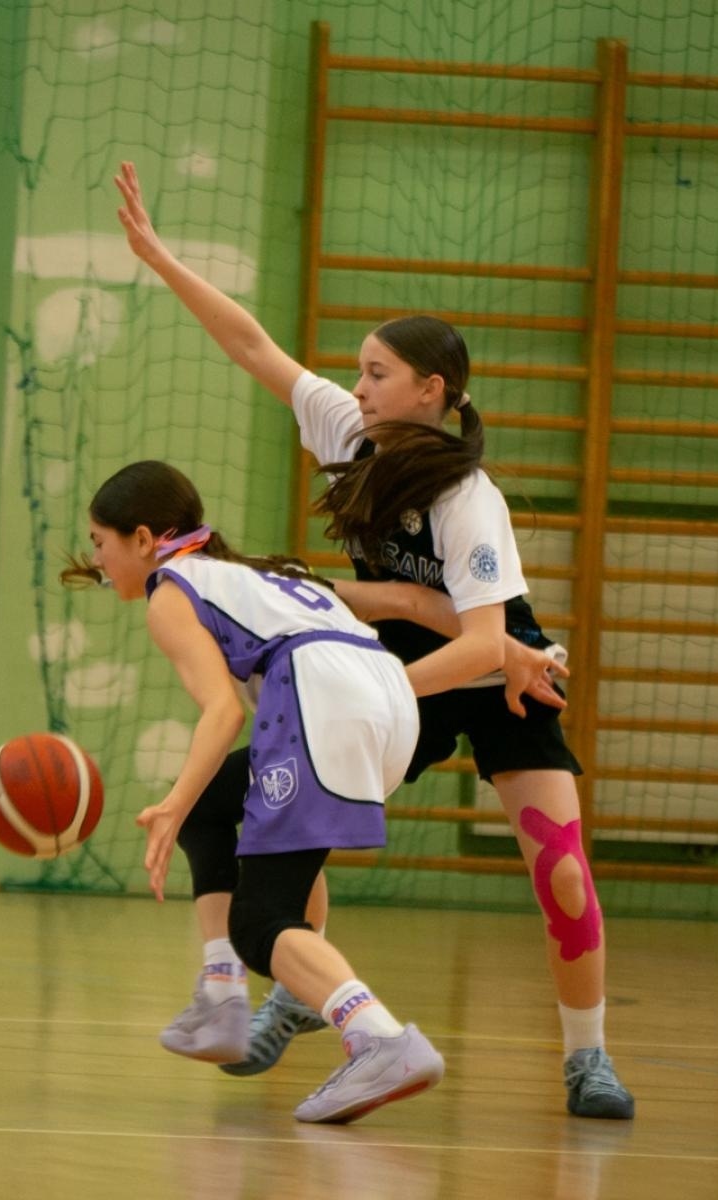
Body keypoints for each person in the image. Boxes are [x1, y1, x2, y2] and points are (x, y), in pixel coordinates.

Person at [114, 161, 634, 1119]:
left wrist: (391, 623)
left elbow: (483, 644)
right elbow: (253, 345)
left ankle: (588, 1059)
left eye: (375, 373)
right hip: (394, 662)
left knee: (558, 863)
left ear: (431, 392)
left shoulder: (469, 499)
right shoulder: (349, 435)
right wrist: (161, 259)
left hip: (495, 670)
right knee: (286, 817)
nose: (354, 386)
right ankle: (299, 993)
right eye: (356, 370)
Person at [62, 460, 443, 1125]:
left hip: (322, 700)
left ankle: (378, 1037)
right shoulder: (259, 572)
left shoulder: (170, 591)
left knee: (259, 920)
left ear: (146, 538)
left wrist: (171, 798)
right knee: (214, 812)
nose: (98, 559)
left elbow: (223, 713)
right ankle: (221, 994)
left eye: (101, 541)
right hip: (388, 702)